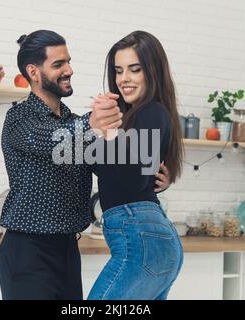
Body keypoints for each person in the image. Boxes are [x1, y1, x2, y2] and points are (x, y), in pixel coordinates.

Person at [0, 30, 171, 300]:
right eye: (58, 65)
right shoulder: (20, 118)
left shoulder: (77, 123)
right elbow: (53, 142)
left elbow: (115, 167)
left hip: (68, 251)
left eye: (68, 61)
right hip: (28, 253)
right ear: (33, 72)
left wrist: (154, 173)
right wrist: (94, 123)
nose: (69, 70)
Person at [87, 31, 184, 300]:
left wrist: (108, 133)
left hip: (141, 237)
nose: (124, 79)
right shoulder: (136, 116)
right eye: (118, 71)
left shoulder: (151, 111)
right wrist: (99, 127)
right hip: (149, 239)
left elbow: (132, 180)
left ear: (153, 71)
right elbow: (108, 168)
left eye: (134, 69)